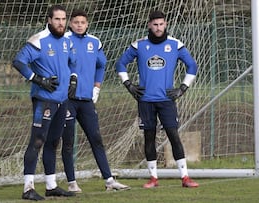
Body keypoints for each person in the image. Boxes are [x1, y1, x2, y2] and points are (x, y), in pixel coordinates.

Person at [115, 10, 199, 189]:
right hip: (145, 100)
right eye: (155, 24)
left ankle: (185, 177)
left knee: (174, 136)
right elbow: (120, 63)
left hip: (166, 101)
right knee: (149, 137)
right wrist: (128, 84)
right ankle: (153, 178)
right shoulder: (139, 45)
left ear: (166, 24)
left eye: (161, 24)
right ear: (149, 25)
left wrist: (183, 88)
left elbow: (192, 65)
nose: (158, 28)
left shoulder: (175, 45)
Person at [61, 9, 130, 192]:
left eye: (82, 22)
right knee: (68, 141)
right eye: (76, 22)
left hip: (86, 100)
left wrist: (97, 87)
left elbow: (101, 66)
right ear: (70, 23)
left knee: (96, 138)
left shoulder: (95, 42)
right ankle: (72, 183)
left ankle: (109, 180)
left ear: (87, 24)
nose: (79, 25)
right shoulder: (64, 40)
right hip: (67, 100)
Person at [12, 5, 77, 201]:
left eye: (63, 19)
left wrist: (73, 79)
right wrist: (38, 79)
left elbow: (72, 62)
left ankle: (51, 185)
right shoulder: (38, 40)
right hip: (44, 100)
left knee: (53, 142)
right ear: (49, 20)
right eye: (57, 19)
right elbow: (18, 61)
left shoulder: (67, 41)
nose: (61, 23)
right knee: (37, 141)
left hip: (62, 99)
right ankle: (27, 188)